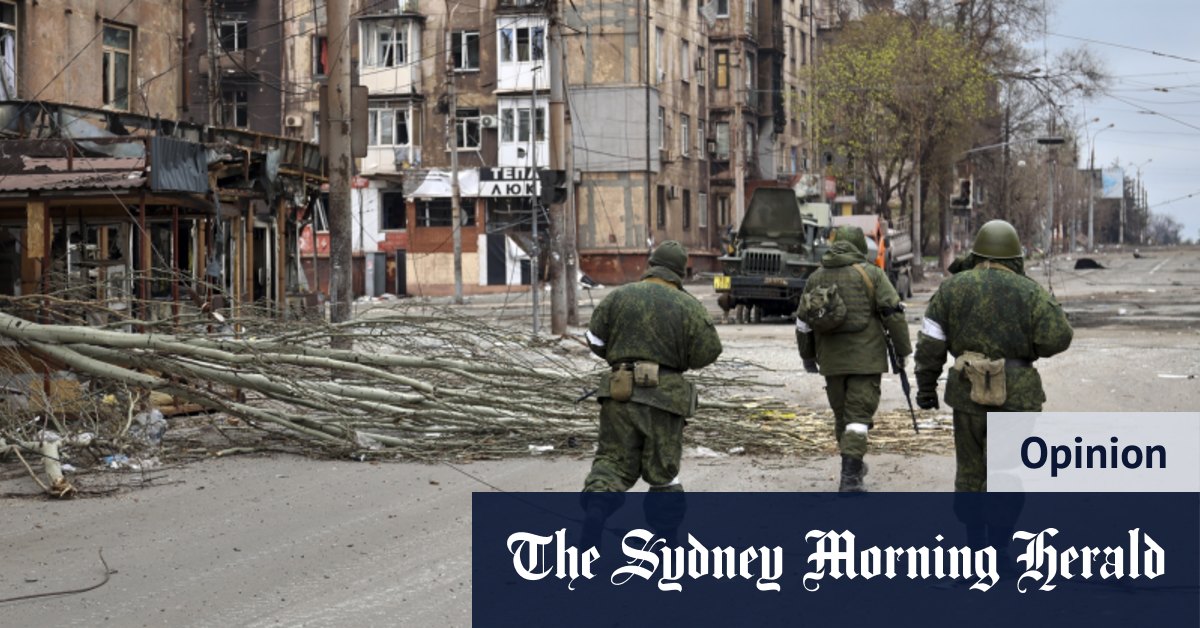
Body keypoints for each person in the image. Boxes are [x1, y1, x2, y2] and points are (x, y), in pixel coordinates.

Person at [915, 219, 1074, 493]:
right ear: (1016, 257)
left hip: (968, 394)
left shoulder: (952, 289)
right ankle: (1000, 535)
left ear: (976, 253)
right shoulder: (1030, 291)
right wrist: (1028, 348)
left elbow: (931, 343)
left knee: (969, 473)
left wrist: (926, 388)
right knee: (1004, 473)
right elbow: (1059, 337)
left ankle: (974, 535)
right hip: (1017, 397)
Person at [583, 240, 723, 495]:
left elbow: (594, 339)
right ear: (681, 272)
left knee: (612, 465)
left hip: (620, 390)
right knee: (663, 474)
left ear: (651, 265)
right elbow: (709, 351)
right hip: (665, 399)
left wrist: (619, 360)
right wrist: (680, 361)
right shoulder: (689, 306)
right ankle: (665, 534)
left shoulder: (618, 296)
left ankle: (597, 506)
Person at [796, 226, 911, 492]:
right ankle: (850, 477)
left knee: (842, 417)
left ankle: (853, 465)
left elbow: (803, 323)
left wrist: (808, 357)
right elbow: (893, 314)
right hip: (866, 360)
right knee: (858, 417)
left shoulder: (815, 278)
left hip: (831, 362)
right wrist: (903, 351)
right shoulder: (872, 274)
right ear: (860, 247)